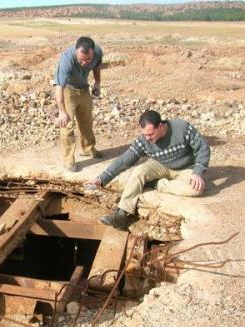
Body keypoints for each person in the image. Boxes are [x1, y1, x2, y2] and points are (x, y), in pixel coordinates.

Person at [87, 110, 210, 230]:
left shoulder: (182, 127)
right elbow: (124, 160)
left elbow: (203, 148)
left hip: (186, 168)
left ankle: (156, 183)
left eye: (150, 134)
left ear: (160, 126)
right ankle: (122, 214)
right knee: (138, 172)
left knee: (195, 190)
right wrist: (100, 179)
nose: (147, 138)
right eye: (145, 134)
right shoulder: (144, 141)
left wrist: (197, 172)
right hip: (161, 165)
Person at [55, 36, 103, 172]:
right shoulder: (67, 60)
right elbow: (59, 87)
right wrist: (61, 111)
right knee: (67, 125)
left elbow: (96, 66)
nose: (84, 63)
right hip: (68, 90)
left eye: (88, 60)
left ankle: (87, 148)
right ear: (76, 51)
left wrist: (97, 83)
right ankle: (68, 160)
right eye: (81, 60)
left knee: (86, 121)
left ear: (93, 52)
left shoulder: (98, 53)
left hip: (84, 88)